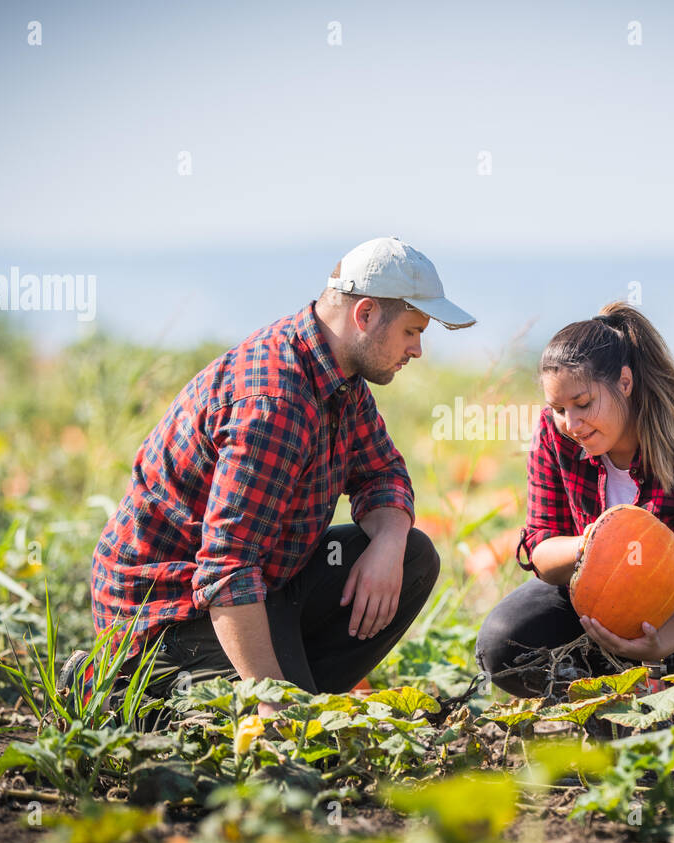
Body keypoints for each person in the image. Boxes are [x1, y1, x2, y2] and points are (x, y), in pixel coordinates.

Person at [65, 237, 476, 728]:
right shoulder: (275, 401)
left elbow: (381, 471)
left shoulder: (340, 378)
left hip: (266, 582)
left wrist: (389, 540)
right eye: (412, 330)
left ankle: (287, 698)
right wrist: (271, 698)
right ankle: (114, 686)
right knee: (280, 732)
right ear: (364, 315)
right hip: (172, 612)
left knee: (414, 555)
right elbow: (226, 569)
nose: (418, 349)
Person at [474, 302, 674, 725]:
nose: (571, 423)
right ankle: (606, 709)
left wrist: (662, 642)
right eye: (559, 409)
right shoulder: (554, 435)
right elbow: (541, 546)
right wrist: (592, 544)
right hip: (601, 590)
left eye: (583, 403)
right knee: (504, 642)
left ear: (625, 382)